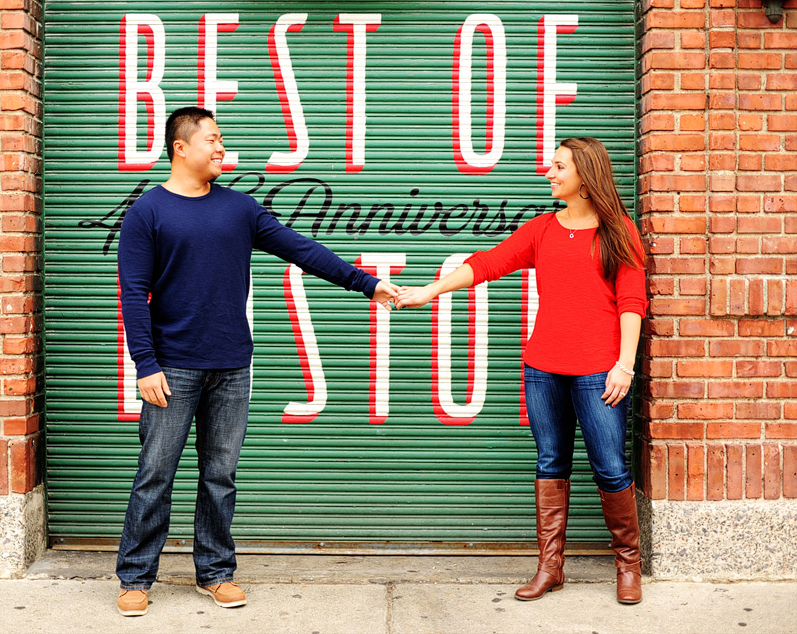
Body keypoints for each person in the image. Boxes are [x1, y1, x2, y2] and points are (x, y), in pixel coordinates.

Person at [115, 106, 398, 616]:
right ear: (180, 147)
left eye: (221, 139)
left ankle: (215, 572)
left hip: (231, 364)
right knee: (155, 473)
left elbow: (302, 250)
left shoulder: (240, 209)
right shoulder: (147, 212)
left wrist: (367, 283)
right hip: (172, 366)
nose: (222, 148)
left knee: (219, 475)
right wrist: (145, 364)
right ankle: (135, 577)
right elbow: (134, 293)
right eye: (213, 139)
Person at [394, 137, 648, 605]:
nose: (548, 173)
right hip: (543, 369)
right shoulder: (542, 230)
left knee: (610, 468)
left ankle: (627, 566)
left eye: (558, 167)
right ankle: (550, 568)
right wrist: (431, 291)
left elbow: (632, 302)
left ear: (585, 179)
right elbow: (489, 263)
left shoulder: (619, 233)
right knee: (550, 464)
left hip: (599, 373)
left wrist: (624, 366)